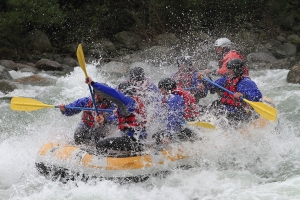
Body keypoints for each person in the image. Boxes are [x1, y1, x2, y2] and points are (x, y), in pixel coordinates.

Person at [85, 77, 147, 154]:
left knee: (101, 144)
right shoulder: (133, 103)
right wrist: (105, 120)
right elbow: (117, 118)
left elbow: (112, 93)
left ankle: (102, 162)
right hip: (137, 140)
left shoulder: (127, 102)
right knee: (100, 136)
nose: (119, 92)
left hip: (133, 142)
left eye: (120, 91)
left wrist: (93, 83)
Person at [202, 58, 262, 125]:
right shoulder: (225, 80)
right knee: (213, 105)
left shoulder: (246, 82)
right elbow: (212, 87)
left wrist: (243, 95)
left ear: (236, 70)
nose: (227, 71)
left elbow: (258, 96)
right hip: (224, 108)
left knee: (222, 112)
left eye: (230, 69)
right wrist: (205, 78)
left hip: (237, 111)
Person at [153, 78, 197, 144]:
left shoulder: (174, 99)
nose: (160, 92)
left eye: (162, 89)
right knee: (158, 134)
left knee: (158, 136)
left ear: (167, 89)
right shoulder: (173, 96)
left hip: (185, 128)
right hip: (184, 126)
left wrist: (168, 136)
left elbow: (174, 118)